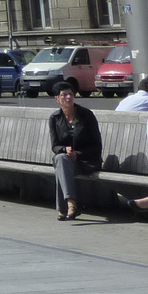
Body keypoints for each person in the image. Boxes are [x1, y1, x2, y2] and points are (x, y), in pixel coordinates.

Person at [48, 83, 102, 221]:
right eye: (64, 95)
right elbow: (54, 146)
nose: (68, 97)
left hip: (86, 161)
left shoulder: (86, 115)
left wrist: (78, 154)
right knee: (60, 159)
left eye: (70, 94)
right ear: (57, 99)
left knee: (60, 164)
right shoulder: (55, 118)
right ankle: (71, 204)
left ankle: (64, 207)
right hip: (66, 160)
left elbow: (97, 145)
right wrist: (65, 150)